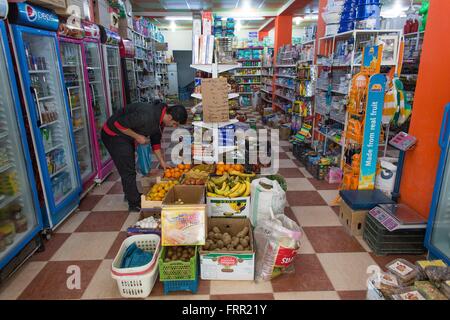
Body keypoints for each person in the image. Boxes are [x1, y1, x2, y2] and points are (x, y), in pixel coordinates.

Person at [101, 102, 188, 212]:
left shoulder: (160, 118)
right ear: (170, 117)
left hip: (125, 135)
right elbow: (118, 125)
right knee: (128, 169)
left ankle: (130, 194)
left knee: (128, 164)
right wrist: (138, 137)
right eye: (175, 124)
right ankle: (134, 203)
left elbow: (155, 141)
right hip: (113, 134)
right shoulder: (147, 115)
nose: (174, 127)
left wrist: (161, 161)